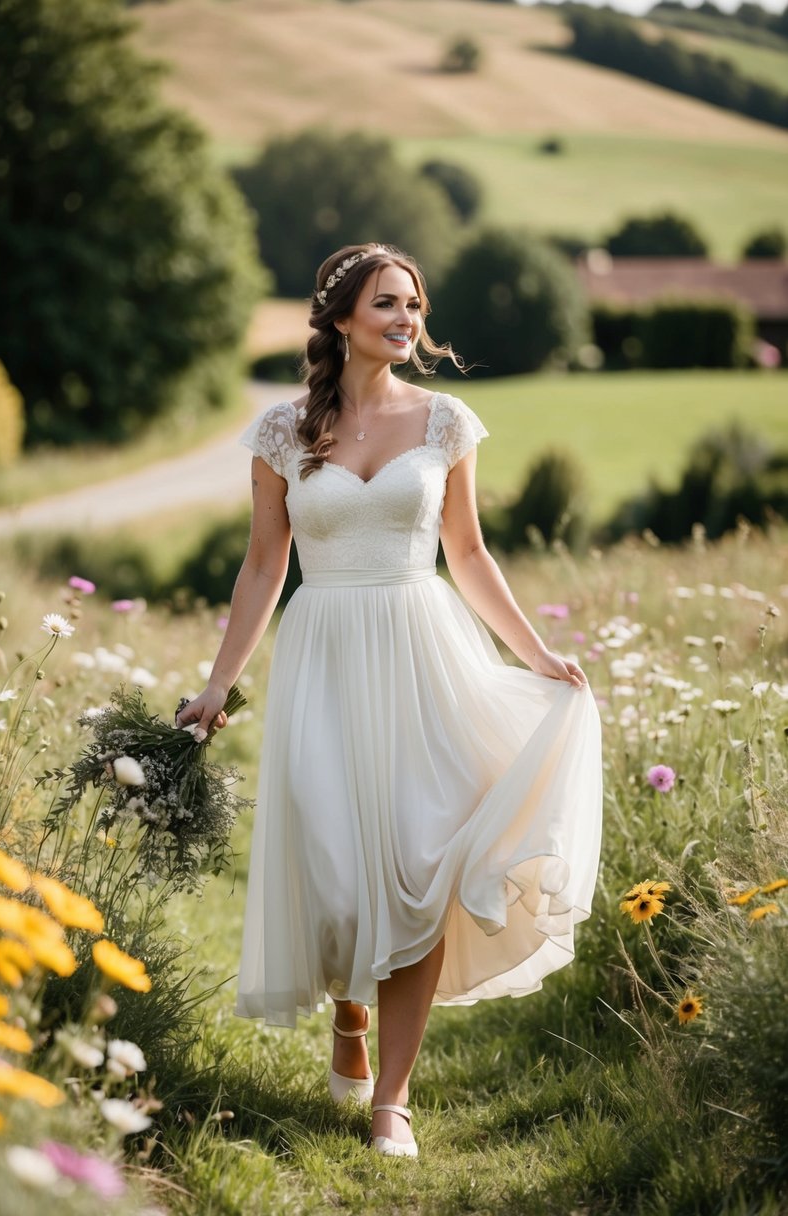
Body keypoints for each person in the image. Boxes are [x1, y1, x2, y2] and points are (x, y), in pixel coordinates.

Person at [176, 242, 602, 1159]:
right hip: (322, 653)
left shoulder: (446, 421)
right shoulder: (282, 433)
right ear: (339, 320)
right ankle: (348, 1014)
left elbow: (469, 553)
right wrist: (219, 682)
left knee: (418, 862)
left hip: (422, 647)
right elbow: (263, 564)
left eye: (413, 304)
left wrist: (534, 654)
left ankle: (392, 1105)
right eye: (386, 305)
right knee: (333, 867)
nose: (407, 320)